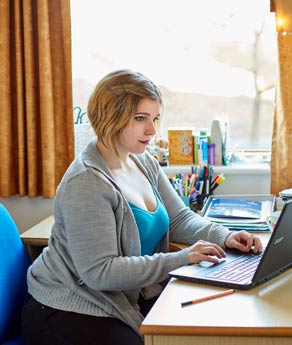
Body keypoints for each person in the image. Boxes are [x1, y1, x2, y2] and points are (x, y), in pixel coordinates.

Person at [21, 69, 263, 345]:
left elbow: (179, 218)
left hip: (123, 296)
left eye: (155, 118)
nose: (152, 130)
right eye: (140, 119)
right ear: (110, 117)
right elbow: (101, 272)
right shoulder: (86, 182)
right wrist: (183, 258)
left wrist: (225, 235)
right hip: (69, 306)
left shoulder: (142, 160)